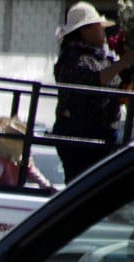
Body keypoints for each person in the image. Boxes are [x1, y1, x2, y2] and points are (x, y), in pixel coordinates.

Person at [52, 2, 134, 182]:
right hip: (80, 134)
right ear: (85, 31)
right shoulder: (71, 58)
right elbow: (94, 80)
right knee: (81, 182)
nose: (103, 32)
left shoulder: (100, 58)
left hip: (103, 133)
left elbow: (115, 84)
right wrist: (124, 62)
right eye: (98, 28)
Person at [0, 116, 55, 191]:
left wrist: (47, 185)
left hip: (7, 192)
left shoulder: (22, 161)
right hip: (6, 192)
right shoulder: (12, 160)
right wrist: (47, 186)